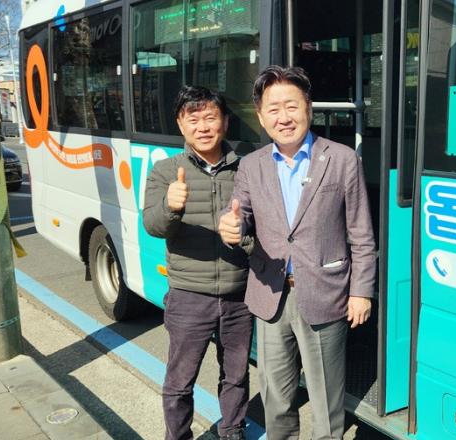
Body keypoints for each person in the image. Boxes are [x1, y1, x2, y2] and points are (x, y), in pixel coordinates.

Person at [218, 65, 377, 440]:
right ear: (261, 116)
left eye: (291, 106)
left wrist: (361, 291)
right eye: (273, 109)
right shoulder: (252, 165)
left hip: (326, 292)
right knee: (276, 398)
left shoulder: (341, 159)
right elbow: (240, 214)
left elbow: (361, 233)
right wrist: (230, 226)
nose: (283, 117)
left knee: (326, 401)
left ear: (308, 107)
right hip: (270, 293)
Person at [143, 85, 253, 440]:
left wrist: (244, 234)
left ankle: (232, 430)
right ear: (181, 124)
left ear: (225, 122)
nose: (203, 127)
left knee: (236, 375)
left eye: (210, 117)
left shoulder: (247, 169)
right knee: (180, 380)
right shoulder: (165, 171)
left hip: (239, 294)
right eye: (193, 119)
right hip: (189, 295)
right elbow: (153, 226)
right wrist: (171, 206)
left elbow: (266, 229)